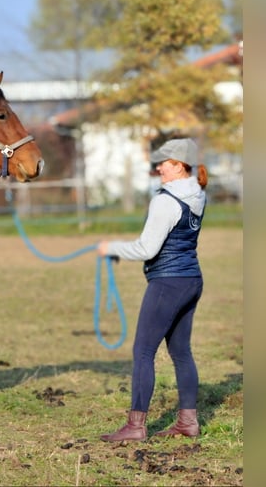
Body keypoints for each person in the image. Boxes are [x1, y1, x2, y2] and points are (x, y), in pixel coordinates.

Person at [97, 138, 208, 442]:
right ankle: (188, 422)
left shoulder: (165, 200)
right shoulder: (198, 195)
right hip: (191, 280)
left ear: (179, 166)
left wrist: (112, 247)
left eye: (165, 163)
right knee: (181, 352)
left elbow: (148, 247)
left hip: (168, 283)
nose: (159, 167)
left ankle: (135, 427)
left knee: (143, 351)